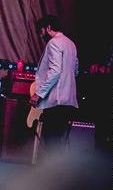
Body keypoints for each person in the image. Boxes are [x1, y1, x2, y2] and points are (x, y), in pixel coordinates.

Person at [29, 14, 79, 152]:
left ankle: (53, 166)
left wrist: (38, 94)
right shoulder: (71, 43)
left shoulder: (54, 43)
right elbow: (75, 71)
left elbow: (55, 71)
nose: (40, 35)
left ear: (48, 27)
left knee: (51, 142)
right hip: (68, 100)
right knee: (58, 142)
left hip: (57, 101)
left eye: (40, 31)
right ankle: (58, 165)